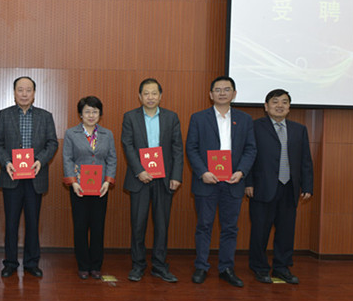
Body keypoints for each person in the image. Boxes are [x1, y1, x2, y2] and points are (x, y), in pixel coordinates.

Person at [186, 76, 256, 287]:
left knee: (230, 228)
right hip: (207, 181)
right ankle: (201, 266)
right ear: (211, 94)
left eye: (227, 89)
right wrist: (203, 172)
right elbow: (191, 148)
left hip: (234, 181)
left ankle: (226, 268)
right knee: (204, 226)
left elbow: (250, 149)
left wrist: (241, 171)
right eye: (218, 89)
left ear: (234, 94)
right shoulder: (198, 118)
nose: (222, 93)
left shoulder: (245, 119)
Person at [245, 89, 313, 284]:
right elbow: (248, 155)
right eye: (275, 102)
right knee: (260, 231)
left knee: (286, 231)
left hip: (289, 188)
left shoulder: (299, 129)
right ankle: (259, 267)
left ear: (289, 107)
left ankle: (282, 267)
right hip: (262, 187)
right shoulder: (255, 127)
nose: (280, 105)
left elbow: (305, 160)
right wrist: (248, 183)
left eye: (284, 102)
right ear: (266, 107)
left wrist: (307, 186)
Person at [0, 76, 58, 278]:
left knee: (32, 222)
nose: (24, 94)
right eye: (20, 90)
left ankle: (31, 263)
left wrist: (40, 160)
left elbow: (52, 143)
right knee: (11, 223)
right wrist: (6, 162)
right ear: (14, 93)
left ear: (34, 93)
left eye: (28, 90)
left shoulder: (45, 116)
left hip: (35, 177)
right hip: (12, 176)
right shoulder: (4, 115)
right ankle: (10, 263)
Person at [122, 78, 184, 283]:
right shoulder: (130, 117)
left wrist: (176, 175)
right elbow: (127, 146)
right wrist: (139, 171)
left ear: (160, 96)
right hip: (140, 179)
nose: (150, 97)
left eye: (154, 93)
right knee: (138, 224)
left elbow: (177, 148)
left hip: (164, 179)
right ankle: (138, 265)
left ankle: (159, 265)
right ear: (140, 96)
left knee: (162, 224)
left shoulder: (171, 117)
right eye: (146, 93)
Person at [63, 96, 117, 280]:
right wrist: (73, 182)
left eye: (95, 111)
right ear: (80, 114)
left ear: (100, 114)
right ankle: (83, 265)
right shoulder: (71, 134)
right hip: (79, 187)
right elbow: (67, 159)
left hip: (101, 188)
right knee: (80, 226)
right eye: (87, 111)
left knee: (97, 227)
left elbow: (112, 158)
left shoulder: (107, 134)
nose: (91, 115)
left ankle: (96, 265)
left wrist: (107, 182)